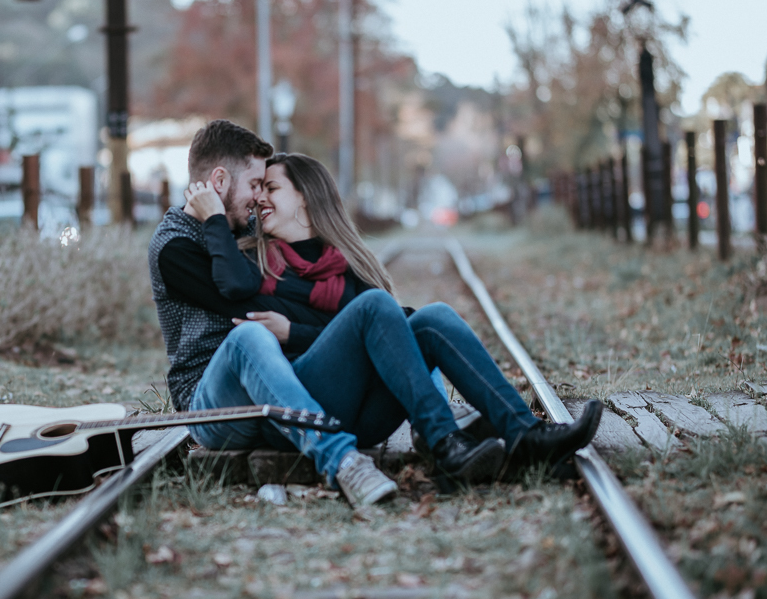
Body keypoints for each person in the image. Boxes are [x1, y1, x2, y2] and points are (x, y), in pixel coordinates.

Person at [149, 120, 602, 506]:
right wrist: (315, 325)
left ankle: (515, 438)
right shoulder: (181, 246)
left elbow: (316, 304)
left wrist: (384, 321)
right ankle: (342, 461)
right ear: (221, 182)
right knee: (254, 336)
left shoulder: (248, 232)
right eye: (255, 186)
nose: (258, 201)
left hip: (295, 396)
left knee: (431, 318)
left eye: (268, 188)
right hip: (218, 403)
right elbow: (247, 302)